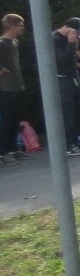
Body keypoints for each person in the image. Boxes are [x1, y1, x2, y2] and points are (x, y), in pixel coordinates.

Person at [52, 17, 80, 156]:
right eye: (78, 33)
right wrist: (71, 42)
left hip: (74, 76)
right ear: (70, 29)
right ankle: (67, 144)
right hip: (62, 78)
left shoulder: (70, 39)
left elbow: (71, 56)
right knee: (68, 112)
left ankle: (75, 138)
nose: (79, 36)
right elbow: (63, 59)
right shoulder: (54, 39)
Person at [0, 13, 32, 165]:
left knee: (16, 120)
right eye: (20, 25)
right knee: (7, 121)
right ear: (11, 25)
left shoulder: (14, 42)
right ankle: (3, 153)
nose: (23, 27)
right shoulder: (1, 43)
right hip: (5, 89)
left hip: (17, 86)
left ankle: (13, 150)